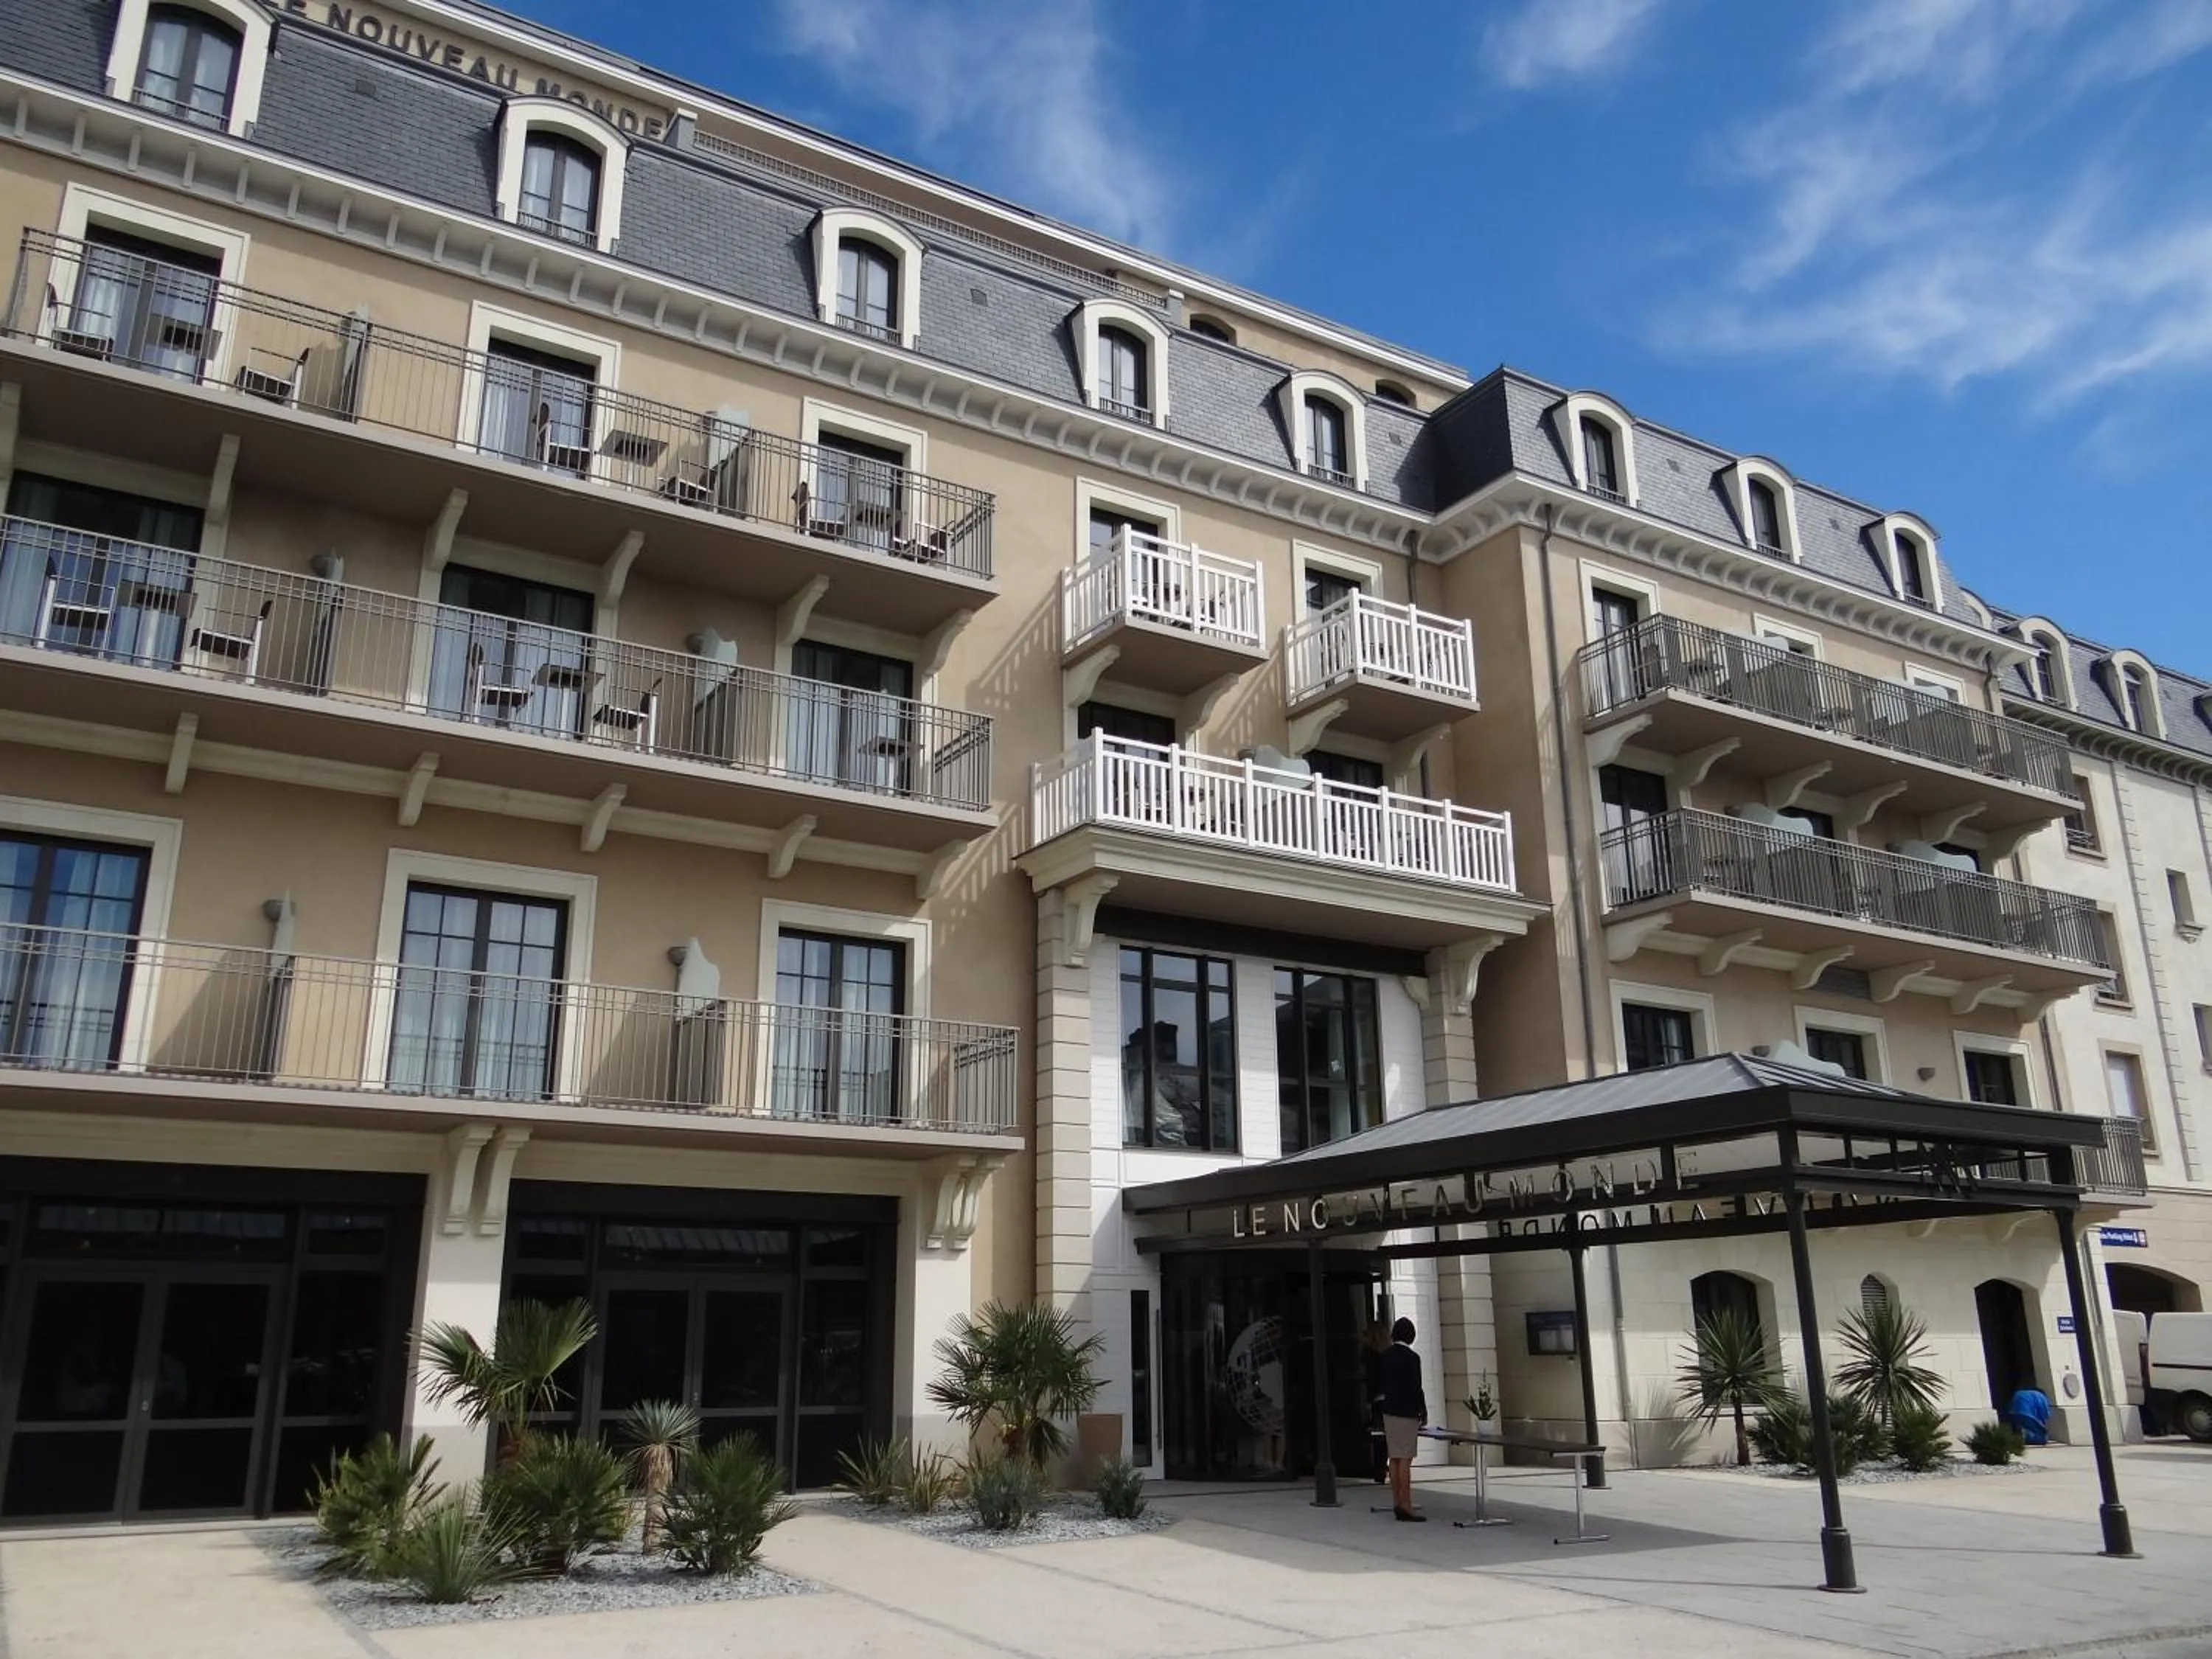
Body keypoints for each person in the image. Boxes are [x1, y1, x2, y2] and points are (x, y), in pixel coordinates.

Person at [1379, 1315, 1427, 1522]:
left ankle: (1397, 1502)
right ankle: (1407, 1504)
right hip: (1406, 1411)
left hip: (1389, 1410)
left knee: (1394, 1457)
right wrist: (1422, 1411)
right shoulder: (1412, 1358)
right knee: (1406, 1458)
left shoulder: (1385, 1356)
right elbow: (1417, 1387)